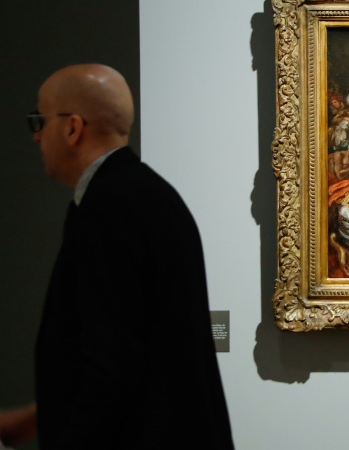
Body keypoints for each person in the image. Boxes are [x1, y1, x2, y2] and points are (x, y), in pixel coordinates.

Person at [0, 64, 234, 449]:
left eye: (39, 120)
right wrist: (34, 420)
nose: (36, 135)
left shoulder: (109, 206)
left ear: (73, 128)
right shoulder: (147, 195)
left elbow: (111, 363)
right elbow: (144, 349)